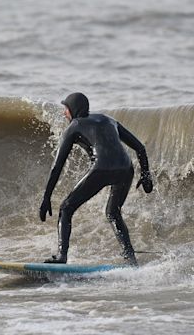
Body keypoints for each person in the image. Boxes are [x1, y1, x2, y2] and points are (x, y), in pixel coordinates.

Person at [39, 92, 153, 266]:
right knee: (113, 213)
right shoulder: (109, 120)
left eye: (66, 109)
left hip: (101, 169)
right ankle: (130, 259)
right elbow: (140, 148)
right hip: (125, 169)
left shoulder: (74, 126)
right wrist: (146, 176)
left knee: (66, 208)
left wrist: (46, 197)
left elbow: (57, 166)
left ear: (73, 110)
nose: (64, 113)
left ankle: (61, 256)